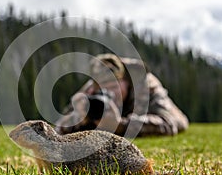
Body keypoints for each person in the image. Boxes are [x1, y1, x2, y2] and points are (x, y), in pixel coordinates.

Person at [55, 53, 189, 137]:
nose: (109, 93)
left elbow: (169, 123)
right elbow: (59, 126)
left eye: (114, 87)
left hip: (164, 115)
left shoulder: (146, 83)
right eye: (102, 89)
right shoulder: (90, 89)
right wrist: (80, 119)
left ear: (125, 81)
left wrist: (120, 125)